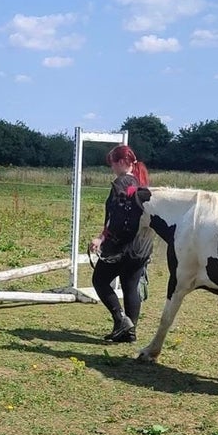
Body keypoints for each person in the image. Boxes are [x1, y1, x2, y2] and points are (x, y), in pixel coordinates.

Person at [89, 145, 153, 343]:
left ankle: (120, 320)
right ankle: (129, 332)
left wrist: (102, 238)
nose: (112, 168)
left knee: (99, 280)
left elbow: (116, 218)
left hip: (121, 246)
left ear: (122, 162)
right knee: (130, 286)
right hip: (141, 247)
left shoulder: (121, 183)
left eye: (113, 164)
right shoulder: (140, 183)